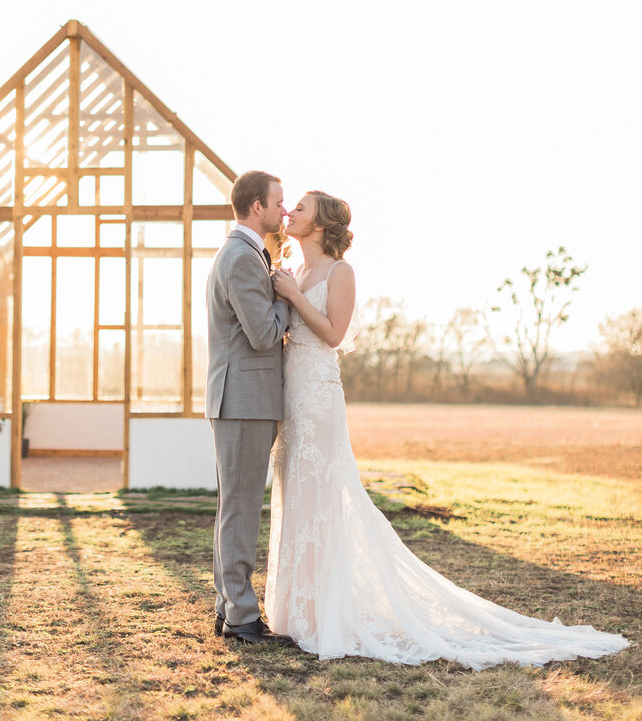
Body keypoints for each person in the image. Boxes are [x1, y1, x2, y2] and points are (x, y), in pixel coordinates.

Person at [266, 189, 630, 668]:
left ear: (320, 224)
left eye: (300, 208)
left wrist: (293, 296)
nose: (289, 211)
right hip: (290, 397)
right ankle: (297, 613)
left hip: (319, 396)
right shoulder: (290, 268)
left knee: (323, 499)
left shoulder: (340, 273)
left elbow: (333, 334)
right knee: (295, 497)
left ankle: (324, 616)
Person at [206, 170, 293, 645]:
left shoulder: (244, 252)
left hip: (239, 400)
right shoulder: (241, 258)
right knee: (240, 510)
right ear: (256, 206)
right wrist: (289, 300)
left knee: (233, 509)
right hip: (242, 400)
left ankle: (228, 608)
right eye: (279, 203)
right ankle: (241, 617)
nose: (284, 211)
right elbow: (262, 334)